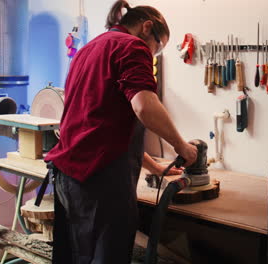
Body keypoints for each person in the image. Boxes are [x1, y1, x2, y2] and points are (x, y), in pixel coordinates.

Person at [44, 1, 198, 263]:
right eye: (157, 47)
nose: (153, 55)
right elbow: (144, 107)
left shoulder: (89, 49)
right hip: (98, 180)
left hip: (69, 176)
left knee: (78, 257)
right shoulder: (132, 46)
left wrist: (153, 166)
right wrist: (181, 146)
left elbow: (103, 124)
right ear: (147, 27)